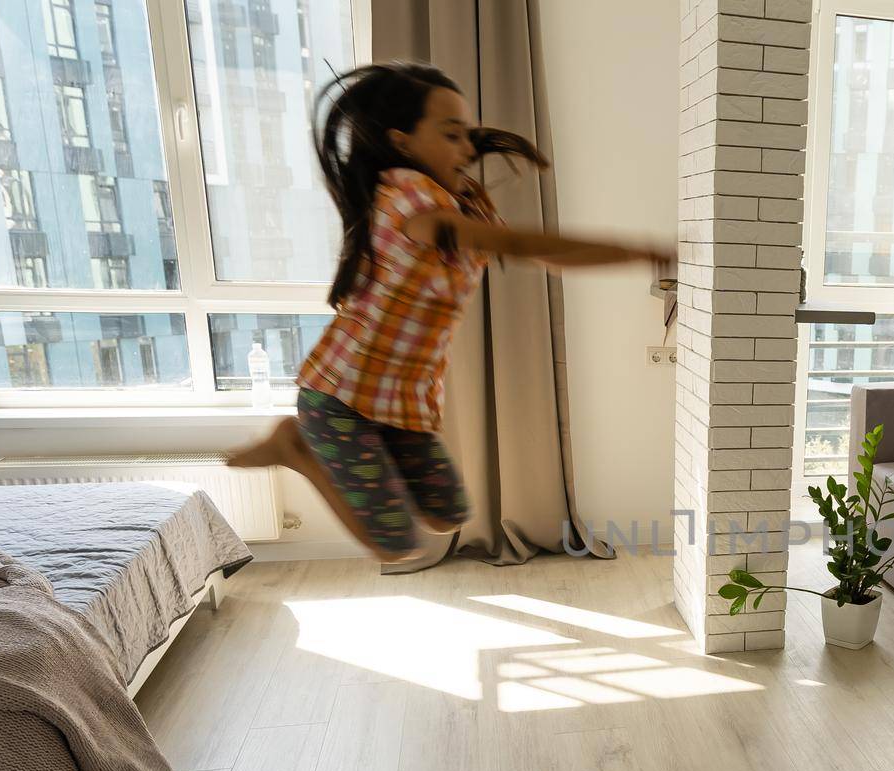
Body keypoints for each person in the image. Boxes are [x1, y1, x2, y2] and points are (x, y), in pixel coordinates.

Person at [228, 62, 669, 561]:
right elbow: (520, 243)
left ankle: (361, 459)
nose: (466, 149)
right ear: (402, 142)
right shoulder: (411, 207)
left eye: (468, 135)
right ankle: (296, 448)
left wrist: (614, 258)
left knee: (447, 516)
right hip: (342, 398)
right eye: (451, 134)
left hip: (399, 401)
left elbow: (543, 256)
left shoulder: (454, 201)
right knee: (393, 545)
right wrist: (634, 250)